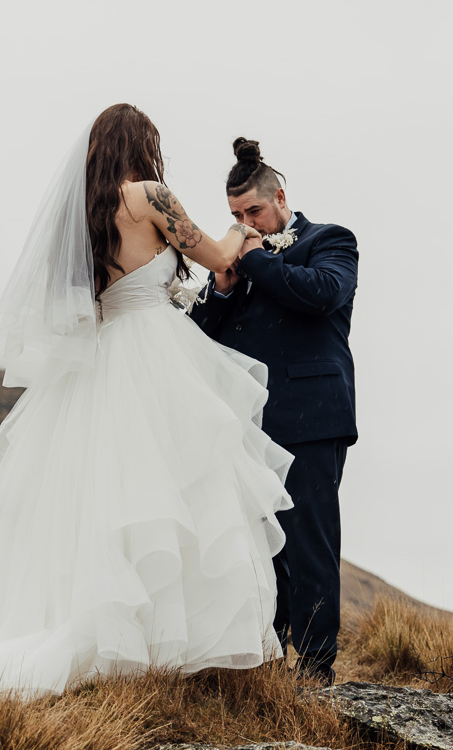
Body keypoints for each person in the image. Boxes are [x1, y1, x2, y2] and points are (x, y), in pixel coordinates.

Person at [0, 104, 295, 700]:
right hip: (151, 352)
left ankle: (124, 632)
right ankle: (164, 643)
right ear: (141, 146)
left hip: (105, 357)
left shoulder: (88, 214)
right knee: (172, 487)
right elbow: (217, 257)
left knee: (109, 493)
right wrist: (244, 233)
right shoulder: (148, 195)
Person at [190, 138, 357, 686]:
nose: (244, 225)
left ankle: (314, 670)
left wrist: (257, 259)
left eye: (253, 212)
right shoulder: (238, 264)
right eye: (235, 216)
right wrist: (221, 288)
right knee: (259, 547)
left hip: (311, 418)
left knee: (309, 543)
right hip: (247, 426)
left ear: (280, 198)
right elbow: (195, 337)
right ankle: (264, 660)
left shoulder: (329, 240)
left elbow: (323, 293)